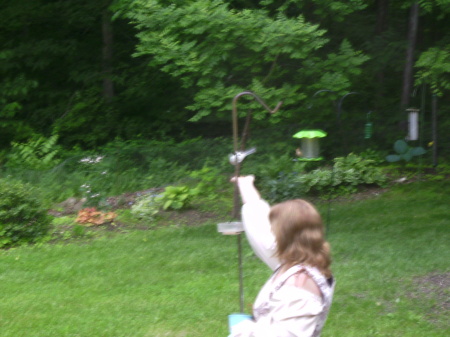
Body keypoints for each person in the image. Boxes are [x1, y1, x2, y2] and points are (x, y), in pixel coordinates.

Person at [228, 175, 335, 337]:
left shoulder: (300, 285)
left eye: (274, 227)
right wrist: (245, 184)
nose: (270, 230)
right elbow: (259, 227)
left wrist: (243, 328)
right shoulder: (295, 260)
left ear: (284, 234)